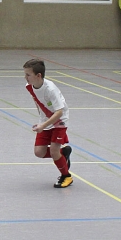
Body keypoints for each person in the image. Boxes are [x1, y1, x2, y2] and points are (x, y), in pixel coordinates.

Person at [23, 59, 73, 188]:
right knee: (39, 152)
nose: (25, 77)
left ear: (38, 75)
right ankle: (63, 154)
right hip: (46, 120)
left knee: (54, 152)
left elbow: (59, 112)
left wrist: (43, 126)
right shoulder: (29, 86)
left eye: (28, 75)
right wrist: (42, 119)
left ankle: (66, 176)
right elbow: (36, 100)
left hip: (60, 121)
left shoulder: (50, 89)